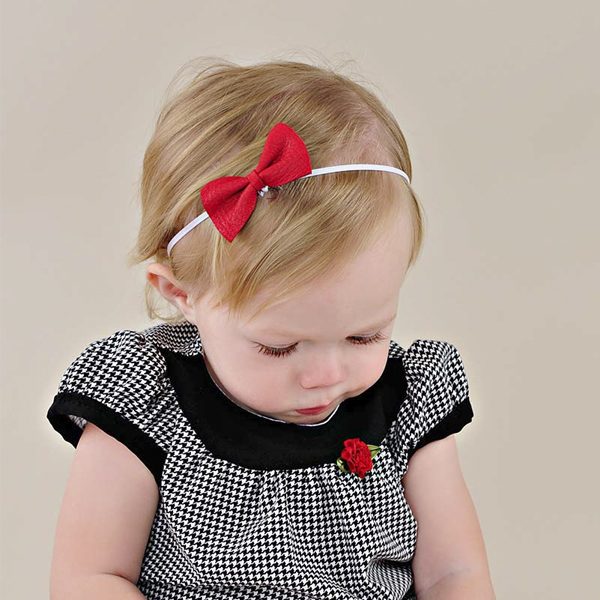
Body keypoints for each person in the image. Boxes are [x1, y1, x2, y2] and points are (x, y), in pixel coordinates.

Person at [47, 58, 495, 599]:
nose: (327, 375)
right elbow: (89, 579)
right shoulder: (145, 398)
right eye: (278, 347)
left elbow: (454, 574)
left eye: (364, 336)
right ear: (181, 293)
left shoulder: (407, 401)